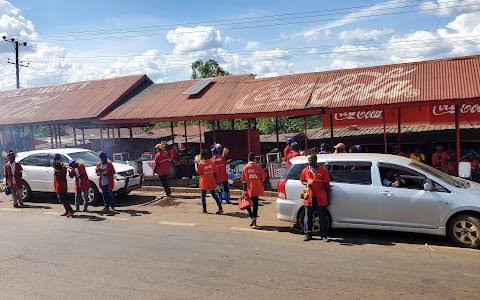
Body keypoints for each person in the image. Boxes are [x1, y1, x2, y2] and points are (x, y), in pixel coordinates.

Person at [300, 154, 331, 241]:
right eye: (308, 160)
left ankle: (323, 235)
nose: (309, 162)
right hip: (308, 197)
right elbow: (302, 181)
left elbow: (327, 185)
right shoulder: (305, 170)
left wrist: (328, 199)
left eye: (310, 160)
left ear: (315, 160)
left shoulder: (323, 171)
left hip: (320, 198)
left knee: (322, 217)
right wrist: (307, 184)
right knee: (308, 217)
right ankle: (308, 234)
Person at [242, 152, 267, 228]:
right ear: (254, 159)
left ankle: (251, 216)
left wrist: (244, 190)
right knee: (255, 205)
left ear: (248, 158)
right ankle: (255, 222)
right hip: (256, 188)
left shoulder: (245, 168)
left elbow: (244, 181)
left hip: (248, 189)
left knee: (247, 204)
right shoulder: (258, 167)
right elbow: (263, 178)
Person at [196, 150, 223, 214]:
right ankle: (220, 208)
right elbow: (216, 172)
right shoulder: (212, 162)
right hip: (211, 181)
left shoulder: (202, 164)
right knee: (214, 195)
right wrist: (217, 182)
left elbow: (198, 172)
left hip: (204, 182)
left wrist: (197, 164)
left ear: (202, 156)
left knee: (203, 196)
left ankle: (204, 209)